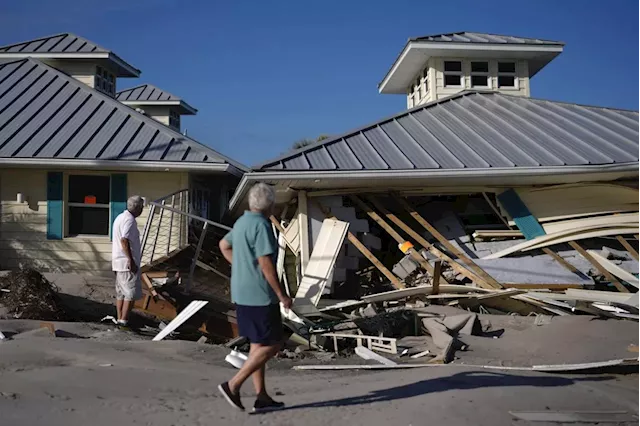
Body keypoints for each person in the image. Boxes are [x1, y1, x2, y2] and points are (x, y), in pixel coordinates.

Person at [217, 183, 292, 413]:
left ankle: (262, 396)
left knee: (258, 344)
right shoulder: (262, 225)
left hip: (241, 292)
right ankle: (233, 385)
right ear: (270, 204)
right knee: (274, 343)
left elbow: (223, 245)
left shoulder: (241, 223)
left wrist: (241, 265)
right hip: (260, 294)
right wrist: (282, 295)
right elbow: (266, 263)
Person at [111, 195, 144, 330]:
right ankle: (124, 321)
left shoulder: (120, 217)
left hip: (118, 261)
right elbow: (124, 240)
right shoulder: (129, 220)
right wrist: (131, 260)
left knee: (121, 293)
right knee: (130, 293)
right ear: (137, 208)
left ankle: (120, 319)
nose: (142, 210)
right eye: (141, 207)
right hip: (126, 262)